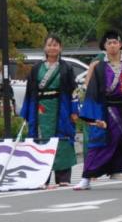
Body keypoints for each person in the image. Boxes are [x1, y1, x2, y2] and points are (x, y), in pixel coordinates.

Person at [75, 30, 122, 190]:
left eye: (115, 42)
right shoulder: (99, 68)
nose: (112, 46)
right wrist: (94, 117)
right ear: (104, 47)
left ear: (120, 45)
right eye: (109, 43)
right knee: (97, 146)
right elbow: (93, 92)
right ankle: (86, 178)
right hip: (106, 112)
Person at [19, 34, 79, 187]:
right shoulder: (36, 68)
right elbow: (29, 92)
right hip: (40, 109)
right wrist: (26, 113)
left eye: (56, 45)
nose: (52, 48)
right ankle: (42, 177)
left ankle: (63, 177)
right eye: (50, 45)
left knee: (63, 140)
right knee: (40, 141)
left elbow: (74, 91)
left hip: (61, 108)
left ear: (60, 48)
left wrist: (74, 110)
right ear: (45, 48)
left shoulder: (66, 68)